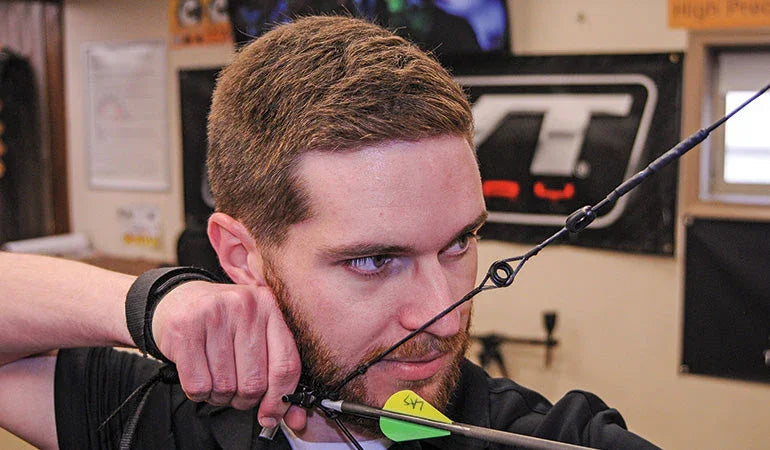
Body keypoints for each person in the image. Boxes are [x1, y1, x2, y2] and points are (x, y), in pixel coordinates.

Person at [0, 16, 658, 449]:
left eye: (459, 242)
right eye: (375, 259)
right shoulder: (165, 418)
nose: (446, 315)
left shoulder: (546, 434)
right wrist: (158, 304)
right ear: (242, 255)